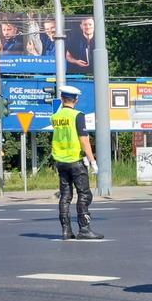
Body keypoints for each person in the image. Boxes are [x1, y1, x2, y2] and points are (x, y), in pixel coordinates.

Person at [51, 86, 103, 240]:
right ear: (76, 100)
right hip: (75, 160)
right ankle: (84, 229)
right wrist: (92, 160)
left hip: (60, 161)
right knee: (85, 194)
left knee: (65, 196)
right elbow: (83, 140)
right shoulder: (78, 116)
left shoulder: (55, 117)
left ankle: (66, 231)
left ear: (61, 99)